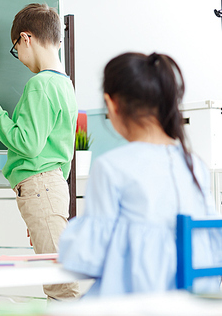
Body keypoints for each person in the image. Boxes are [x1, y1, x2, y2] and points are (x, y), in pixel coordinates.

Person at [58, 52, 222, 297]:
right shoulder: (194, 164)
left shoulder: (112, 167)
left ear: (111, 104)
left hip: (141, 301)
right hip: (196, 301)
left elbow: (87, 256)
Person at [0, 3, 79, 301]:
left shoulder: (39, 85)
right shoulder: (64, 85)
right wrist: (47, 208)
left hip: (40, 186)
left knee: (59, 282)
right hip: (52, 187)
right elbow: (64, 154)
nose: (19, 58)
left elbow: (27, 143)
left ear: (26, 38)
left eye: (15, 50)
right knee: (58, 273)